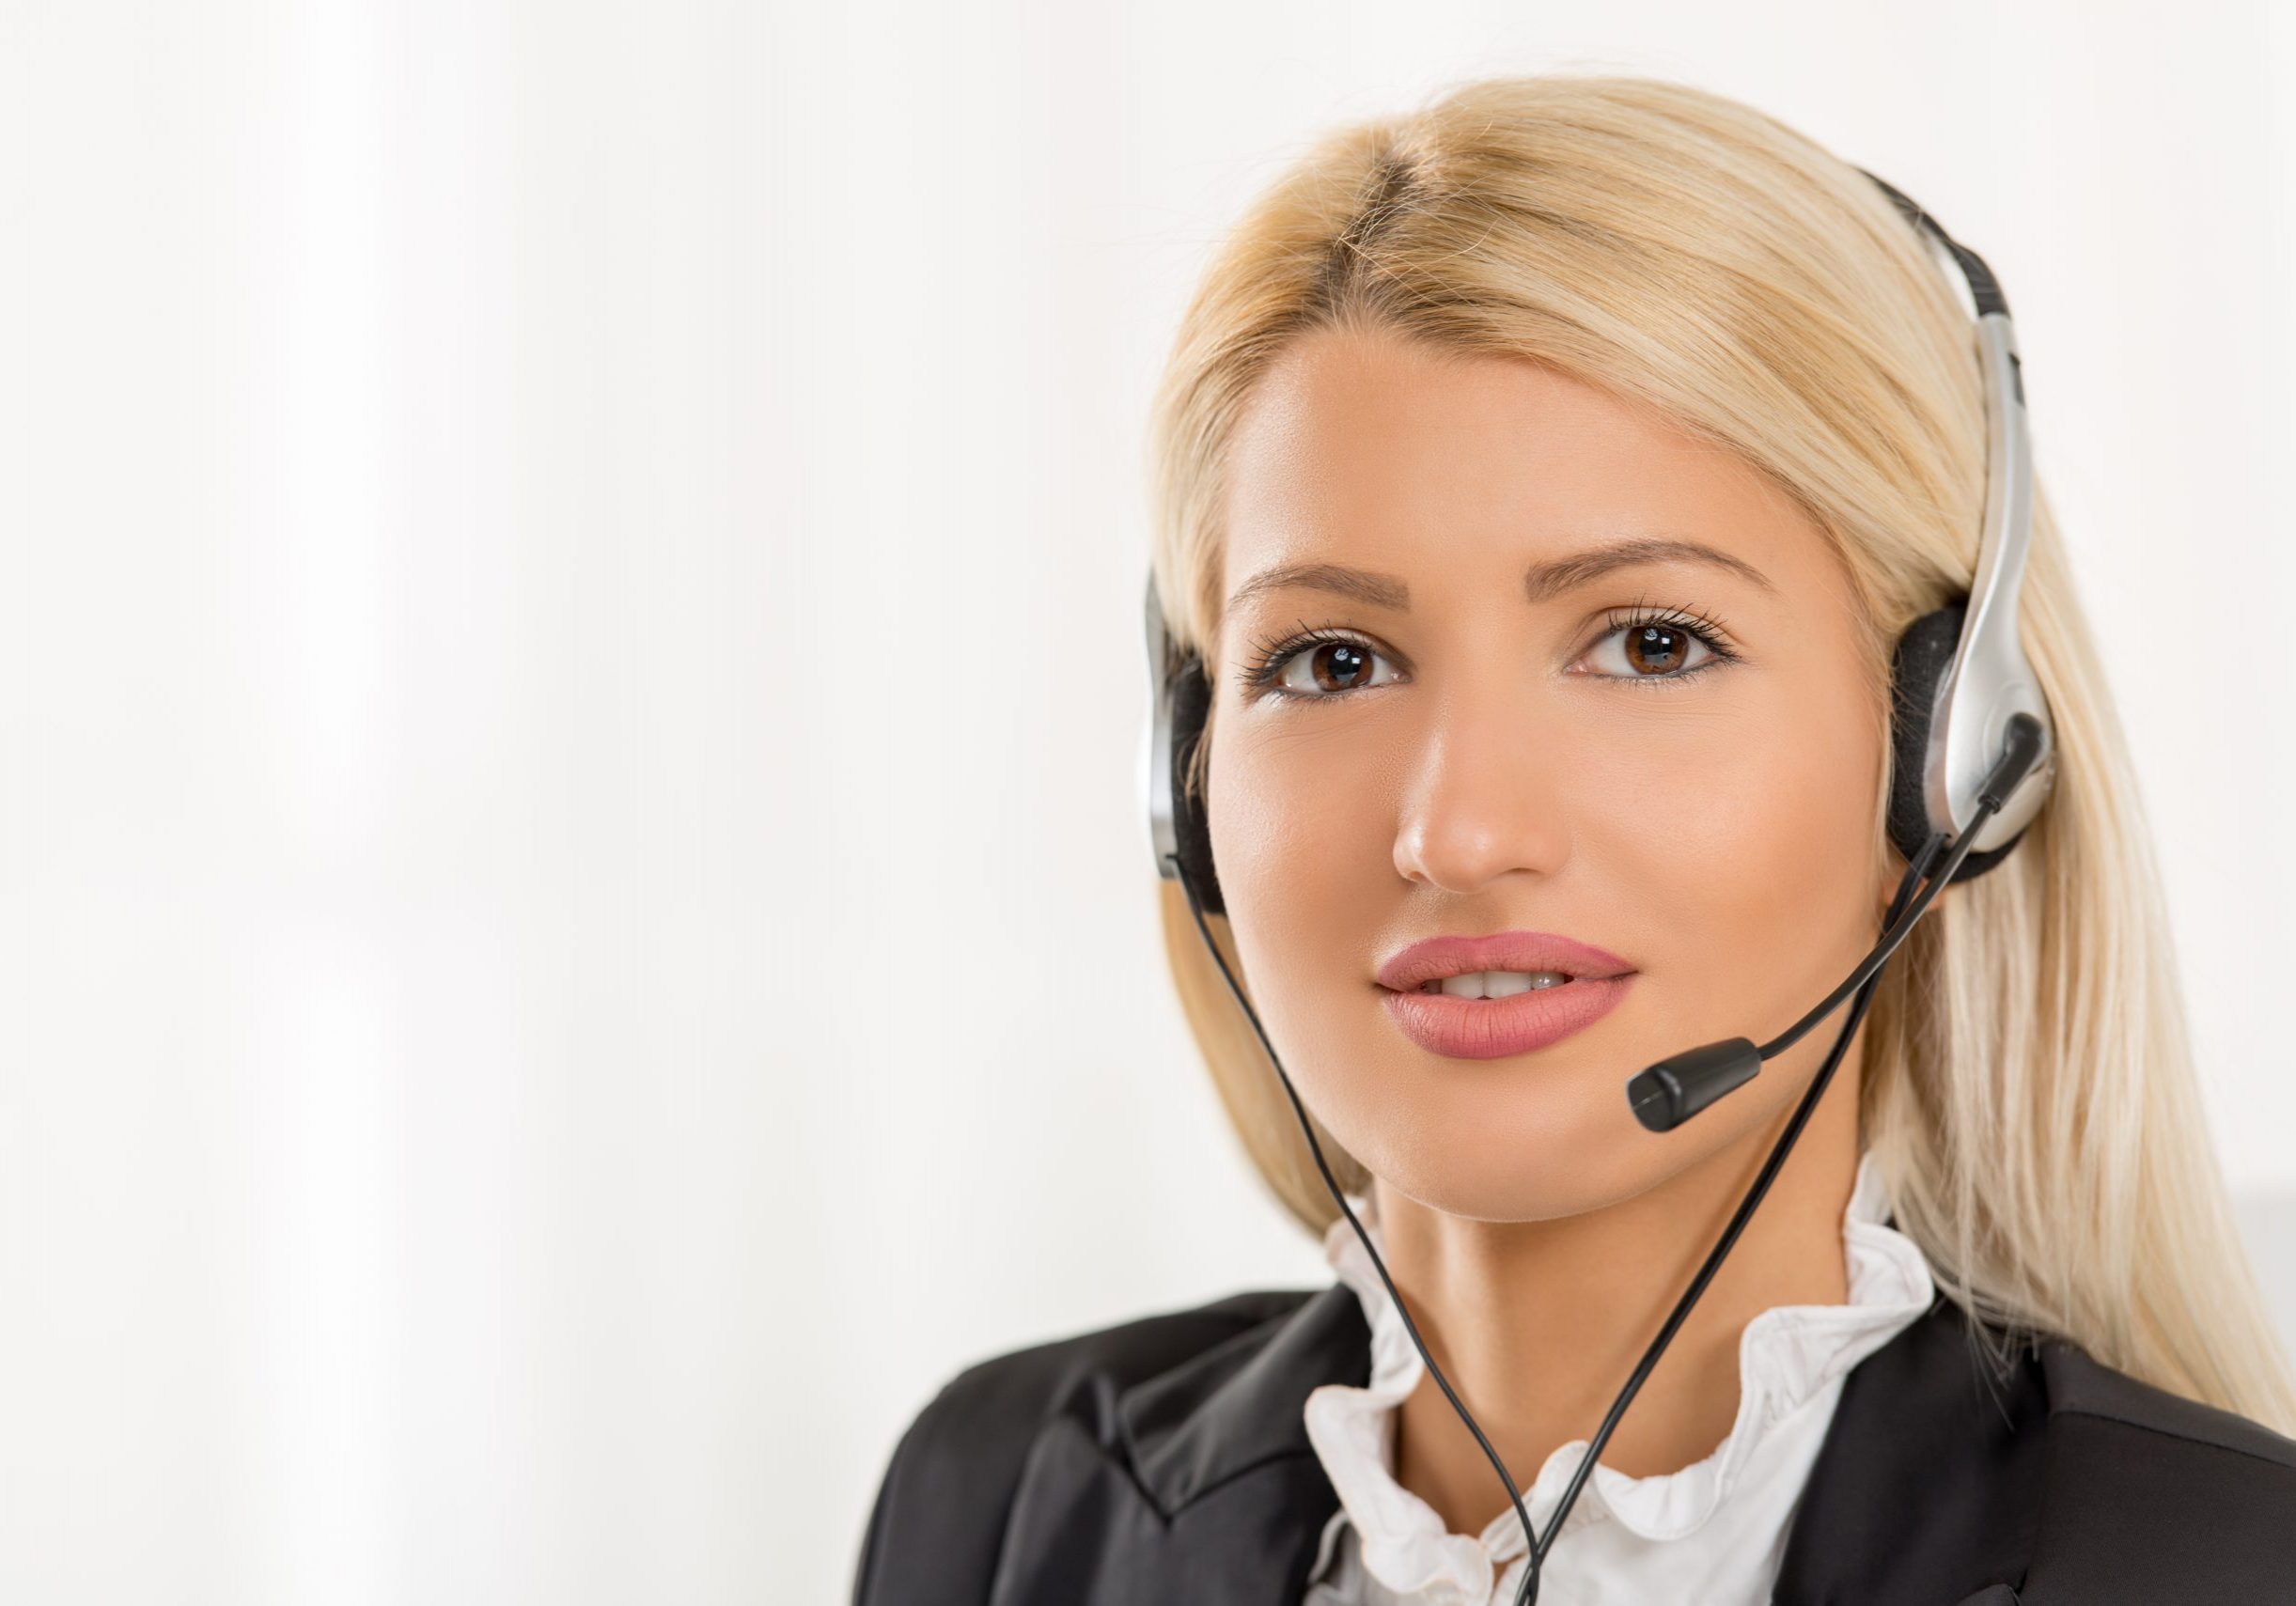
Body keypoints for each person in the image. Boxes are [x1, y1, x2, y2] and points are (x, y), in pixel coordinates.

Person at [850, 73, 2296, 1606]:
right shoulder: (1006, 1504)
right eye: (1330, 660)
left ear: (1946, 765)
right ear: (1187, 782)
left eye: (1653, 644)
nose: (1458, 830)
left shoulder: (2214, 1568)